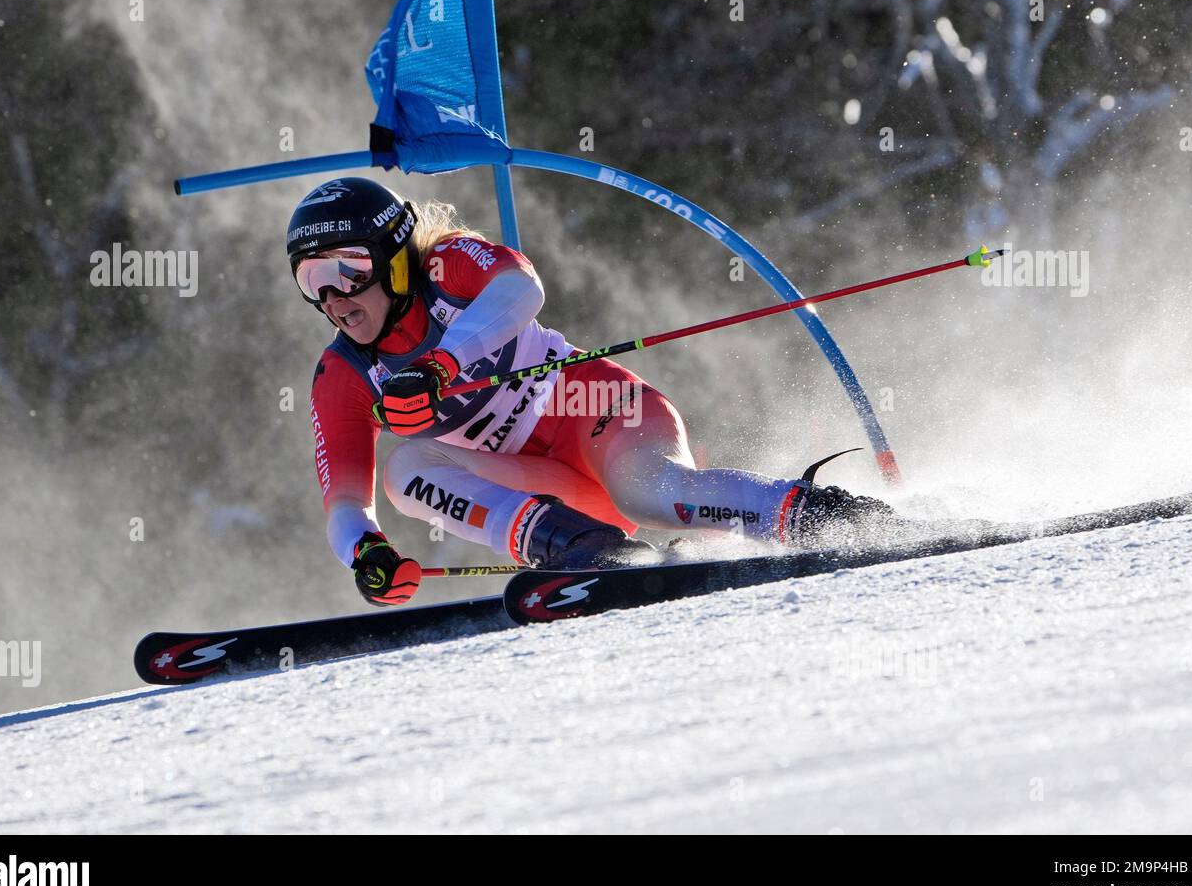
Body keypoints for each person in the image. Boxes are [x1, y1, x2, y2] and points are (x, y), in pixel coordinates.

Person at [292, 177, 890, 607]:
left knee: (650, 496)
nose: (335, 298)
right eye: (311, 279)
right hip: (545, 485)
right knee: (406, 469)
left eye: (347, 268)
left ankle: (826, 516)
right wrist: (365, 554)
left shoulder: (447, 267)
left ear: (397, 260)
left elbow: (520, 290)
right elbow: (346, 503)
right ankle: (581, 549)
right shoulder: (343, 375)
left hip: (595, 411)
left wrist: (443, 365)